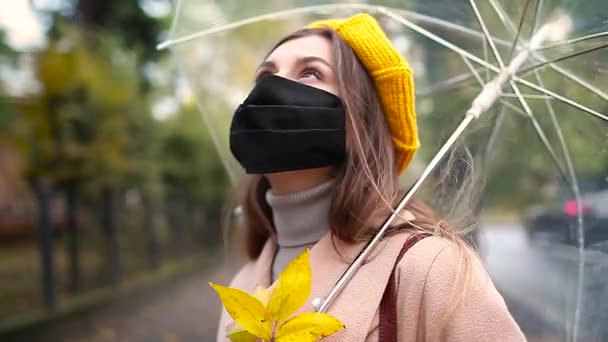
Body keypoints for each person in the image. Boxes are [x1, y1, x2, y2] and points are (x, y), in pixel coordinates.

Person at [217, 13, 525, 341]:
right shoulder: (243, 284)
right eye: (264, 75)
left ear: (361, 118)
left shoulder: (430, 269)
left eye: (310, 72)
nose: (269, 89)